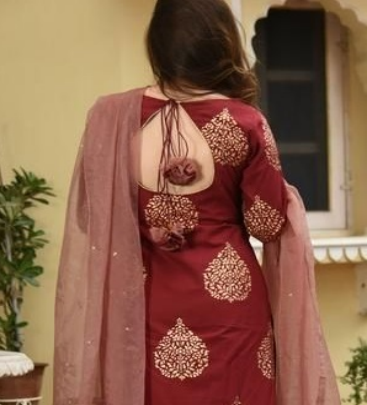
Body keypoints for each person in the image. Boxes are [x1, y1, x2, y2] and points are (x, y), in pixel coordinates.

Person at [54, 1, 341, 404]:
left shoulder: (109, 117)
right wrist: (284, 195)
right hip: (229, 312)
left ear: (156, 44)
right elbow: (267, 224)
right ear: (223, 43)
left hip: (141, 309)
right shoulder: (244, 122)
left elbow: (92, 217)